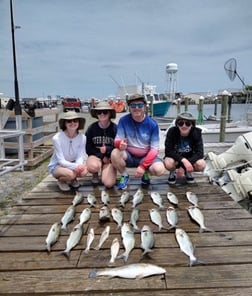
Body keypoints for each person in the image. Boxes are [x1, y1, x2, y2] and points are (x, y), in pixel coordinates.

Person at [111, 93, 165, 190]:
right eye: (133, 105)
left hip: (145, 157)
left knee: (159, 170)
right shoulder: (123, 120)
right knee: (115, 153)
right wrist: (120, 144)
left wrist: (143, 166)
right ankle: (124, 175)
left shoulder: (153, 124)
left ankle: (146, 173)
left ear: (144, 106)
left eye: (140, 105)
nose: (136, 108)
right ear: (129, 108)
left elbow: (154, 150)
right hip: (129, 156)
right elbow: (117, 141)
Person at [48, 111, 88, 191]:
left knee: (84, 172)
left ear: (79, 123)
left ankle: (73, 179)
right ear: (64, 123)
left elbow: (80, 155)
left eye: (75, 121)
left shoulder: (83, 137)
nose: (72, 123)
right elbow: (61, 160)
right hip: (58, 165)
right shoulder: (57, 138)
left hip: (73, 163)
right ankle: (61, 181)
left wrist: (79, 166)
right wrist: (76, 167)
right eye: (69, 121)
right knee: (71, 174)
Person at [164, 112, 206, 184]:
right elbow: (168, 151)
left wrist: (184, 167)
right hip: (176, 159)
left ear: (192, 125)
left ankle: (188, 171)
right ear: (177, 124)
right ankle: (173, 171)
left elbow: (200, 153)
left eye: (188, 123)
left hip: (190, 159)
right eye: (181, 123)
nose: (184, 126)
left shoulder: (197, 133)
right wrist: (184, 161)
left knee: (201, 164)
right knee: (168, 163)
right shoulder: (172, 131)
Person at [85, 101, 117, 188]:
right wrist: (102, 157)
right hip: (96, 157)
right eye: (99, 112)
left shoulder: (115, 128)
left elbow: (117, 147)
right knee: (93, 167)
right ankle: (95, 174)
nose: (102, 114)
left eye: (105, 112)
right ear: (96, 114)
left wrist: (107, 150)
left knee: (109, 183)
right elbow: (88, 148)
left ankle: (107, 171)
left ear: (110, 113)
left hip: (109, 158)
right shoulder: (91, 128)